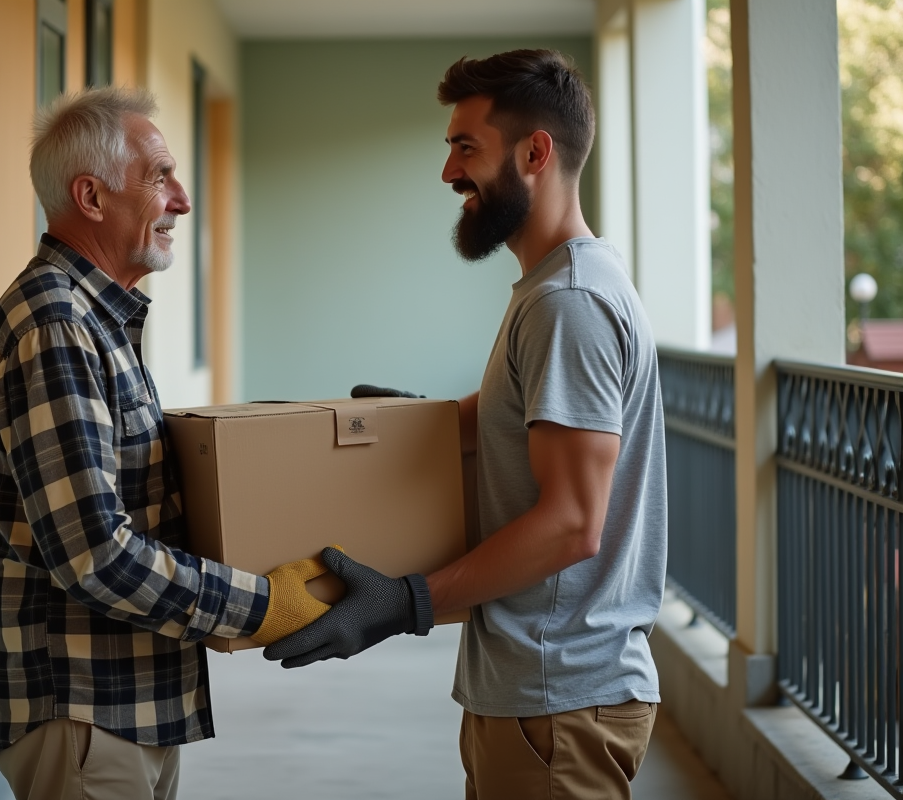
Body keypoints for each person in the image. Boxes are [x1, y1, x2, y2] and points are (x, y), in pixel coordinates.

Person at [265, 50, 667, 800]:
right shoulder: (555, 287)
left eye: (465, 147)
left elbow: (573, 523)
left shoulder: (566, 304)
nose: (448, 173)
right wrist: (408, 426)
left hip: (560, 697)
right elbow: (498, 423)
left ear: (535, 152)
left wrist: (409, 601)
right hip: (538, 695)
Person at [0, 86, 331, 800]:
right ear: (92, 196)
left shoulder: (97, 321)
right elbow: (95, 555)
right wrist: (261, 604)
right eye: (159, 176)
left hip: (128, 702)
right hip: (86, 707)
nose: (182, 199)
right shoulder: (57, 327)